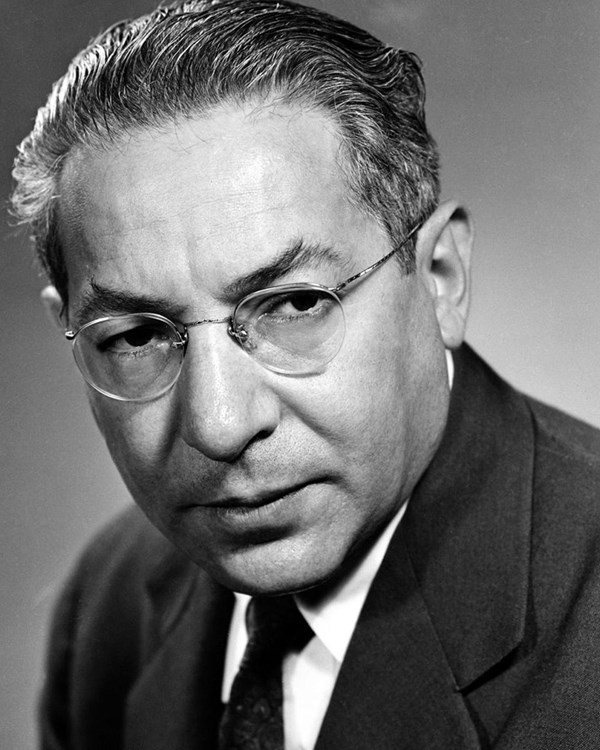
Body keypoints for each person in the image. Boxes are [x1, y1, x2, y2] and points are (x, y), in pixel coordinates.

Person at [10, 1, 600, 748]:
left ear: (441, 277)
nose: (219, 425)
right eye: (137, 336)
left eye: (293, 304)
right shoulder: (109, 603)